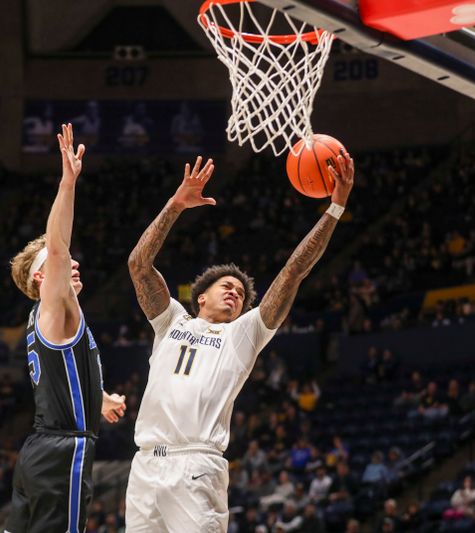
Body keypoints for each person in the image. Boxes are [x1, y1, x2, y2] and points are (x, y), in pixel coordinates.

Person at [125, 153, 354, 532]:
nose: (234, 294)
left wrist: (336, 208)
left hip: (196, 465)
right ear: (200, 297)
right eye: (226, 287)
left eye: (240, 294)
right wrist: (176, 205)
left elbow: (294, 271)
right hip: (146, 465)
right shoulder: (170, 321)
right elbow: (138, 265)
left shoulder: (241, 334)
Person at [5, 124, 126, 532]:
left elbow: (63, 377)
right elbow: (57, 246)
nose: (72, 263)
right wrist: (67, 183)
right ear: (42, 279)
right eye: (58, 265)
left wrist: (101, 398)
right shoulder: (53, 305)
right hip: (64, 449)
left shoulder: (48, 320)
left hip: (39, 449)